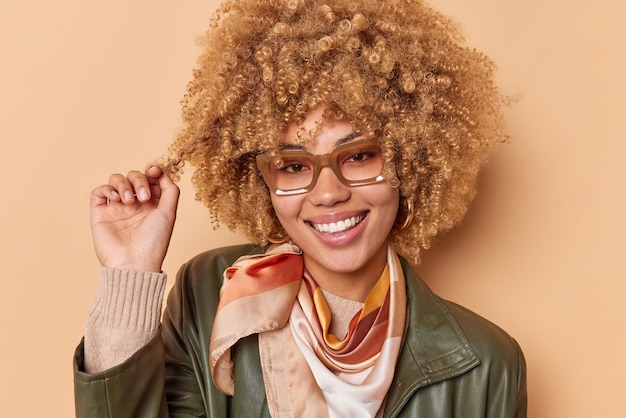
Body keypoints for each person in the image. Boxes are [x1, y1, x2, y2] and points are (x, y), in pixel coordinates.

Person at [73, 0, 527, 416]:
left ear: (411, 161)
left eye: (359, 155)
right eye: (292, 165)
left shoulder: (487, 366)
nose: (327, 192)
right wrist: (128, 275)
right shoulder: (209, 295)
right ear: (262, 183)